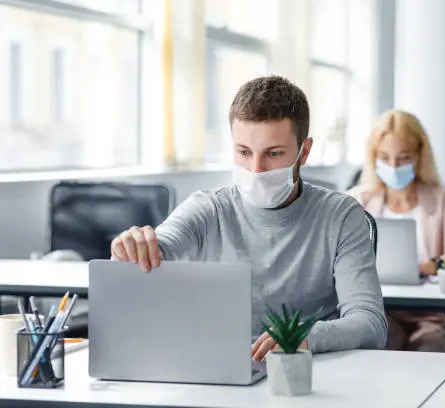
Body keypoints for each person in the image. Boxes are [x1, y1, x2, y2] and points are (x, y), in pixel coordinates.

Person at [110, 76, 387, 360]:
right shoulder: (208, 208)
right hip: (220, 365)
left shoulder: (341, 216)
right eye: (244, 152)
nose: (256, 169)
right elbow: (163, 245)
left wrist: (306, 336)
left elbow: (371, 324)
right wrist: (135, 248)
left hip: (307, 369)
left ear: (304, 152)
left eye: (274, 153)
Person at [346, 110, 445, 352]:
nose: (393, 166)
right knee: (379, 344)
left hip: (435, 315)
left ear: (420, 156)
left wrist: (427, 266)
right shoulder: (357, 200)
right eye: (384, 158)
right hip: (380, 311)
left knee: (432, 347)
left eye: (403, 157)